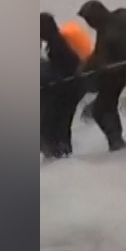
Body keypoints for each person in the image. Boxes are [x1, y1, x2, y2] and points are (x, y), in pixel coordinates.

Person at [78, 0, 126, 152]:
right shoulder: (118, 17)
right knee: (99, 108)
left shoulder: (110, 31)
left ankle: (117, 145)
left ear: (96, 17)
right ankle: (116, 142)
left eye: (89, 20)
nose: (89, 24)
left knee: (101, 109)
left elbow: (104, 59)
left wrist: (87, 70)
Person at [40, 12, 86, 159]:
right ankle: (62, 154)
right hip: (66, 90)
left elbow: (63, 70)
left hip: (64, 91)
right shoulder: (57, 42)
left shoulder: (57, 45)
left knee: (55, 127)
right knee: (58, 127)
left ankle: (59, 155)